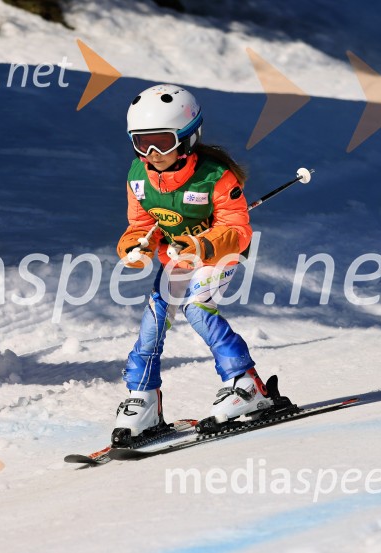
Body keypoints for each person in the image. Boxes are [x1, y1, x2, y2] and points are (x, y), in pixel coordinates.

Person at [112, 84, 274, 445]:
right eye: (142, 143)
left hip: (218, 254)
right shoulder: (138, 177)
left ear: (187, 138)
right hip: (179, 257)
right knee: (154, 320)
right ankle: (143, 398)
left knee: (197, 308)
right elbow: (142, 224)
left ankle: (246, 384)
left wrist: (201, 245)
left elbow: (238, 228)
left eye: (162, 142)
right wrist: (134, 246)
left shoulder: (215, 175)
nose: (152, 153)